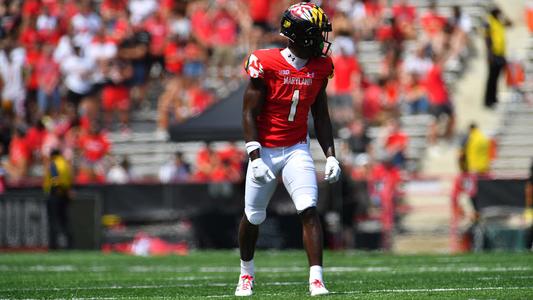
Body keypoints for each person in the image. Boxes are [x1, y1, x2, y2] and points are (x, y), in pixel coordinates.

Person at [235, 3, 341, 297]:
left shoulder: (321, 66)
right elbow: (248, 113)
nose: (322, 38)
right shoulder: (265, 62)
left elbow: (321, 115)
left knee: (308, 208)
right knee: (254, 216)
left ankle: (316, 280)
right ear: (300, 35)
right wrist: (254, 155)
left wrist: (331, 154)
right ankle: (246, 274)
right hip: (265, 149)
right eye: (316, 33)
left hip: (296, 148)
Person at [43, 148, 73, 250]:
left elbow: (55, 179)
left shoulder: (54, 163)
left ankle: (53, 245)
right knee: (64, 220)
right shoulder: (65, 164)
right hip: (64, 194)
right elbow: (69, 179)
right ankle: (70, 245)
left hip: (55, 193)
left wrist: (56, 189)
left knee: (53, 221)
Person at [484, 7, 512, 109]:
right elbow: (487, 39)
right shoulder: (489, 22)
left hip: (501, 54)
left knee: (497, 78)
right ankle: (488, 100)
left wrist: (503, 14)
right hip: (494, 55)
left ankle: (494, 99)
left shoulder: (498, 21)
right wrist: (490, 54)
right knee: (491, 79)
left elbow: (510, 24)